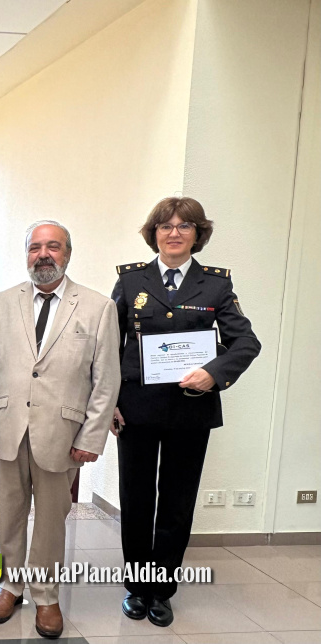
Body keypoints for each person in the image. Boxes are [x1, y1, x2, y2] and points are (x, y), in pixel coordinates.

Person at [112, 197, 260, 627]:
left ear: (198, 234)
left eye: (184, 226)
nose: (174, 233)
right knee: (136, 499)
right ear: (153, 233)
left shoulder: (215, 285)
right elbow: (108, 346)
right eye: (165, 226)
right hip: (136, 409)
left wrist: (214, 373)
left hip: (190, 411)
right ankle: (137, 586)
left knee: (177, 502)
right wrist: (109, 403)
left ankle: (162, 590)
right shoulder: (131, 280)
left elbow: (246, 342)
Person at [0, 220, 121, 639]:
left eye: (52, 246)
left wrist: (92, 437)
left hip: (63, 435)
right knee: (9, 514)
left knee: (52, 520)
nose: (43, 254)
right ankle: (10, 586)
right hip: (7, 428)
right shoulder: (3, 302)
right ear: (26, 255)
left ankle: (46, 595)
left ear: (67, 253)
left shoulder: (97, 307)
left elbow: (106, 380)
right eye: (35, 247)